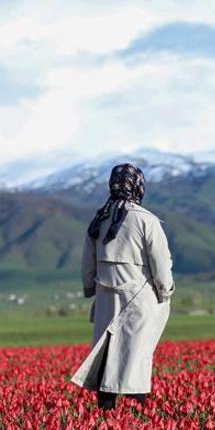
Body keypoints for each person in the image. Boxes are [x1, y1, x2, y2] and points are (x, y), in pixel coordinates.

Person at [71, 163, 174, 410]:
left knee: (106, 356)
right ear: (138, 185)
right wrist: (165, 292)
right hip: (140, 299)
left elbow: (88, 262)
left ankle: (106, 413)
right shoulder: (146, 220)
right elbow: (160, 263)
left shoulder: (99, 220)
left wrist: (91, 289)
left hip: (106, 298)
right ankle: (135, 420)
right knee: (134, 358)